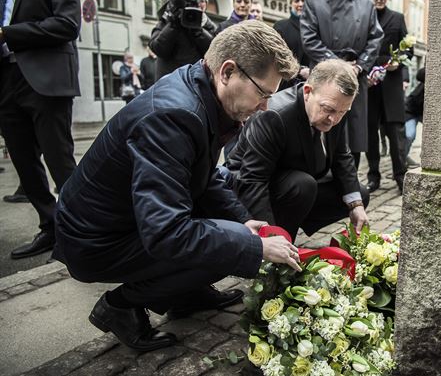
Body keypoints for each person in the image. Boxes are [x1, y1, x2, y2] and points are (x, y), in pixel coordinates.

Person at [53, 22, 300, 352]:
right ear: (227, 72)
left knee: (231, 235)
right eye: (263, 93)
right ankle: (121, 307)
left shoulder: (200, 88)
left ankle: (186, 294)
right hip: (95, 239)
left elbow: (204, 175)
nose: (266, 106)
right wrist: (253, 247)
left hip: (123, 221)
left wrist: (243, 222)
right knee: (227, 245)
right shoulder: (174, 114)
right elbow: (166, 232)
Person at [225, 59, 369, 243]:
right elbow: (253, 180)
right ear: (308, 92)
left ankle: (293, 219)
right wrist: (270, 238)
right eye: (329, 110)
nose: (333, 119)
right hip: (250, 186)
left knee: (359, 194)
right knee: (302, 185)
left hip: (296, 180)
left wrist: (356, 205)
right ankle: (282, 242)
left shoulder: (335, 108)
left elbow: (341, 156)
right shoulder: (274, 115)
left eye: (342, 112)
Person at [0, 0, 80, 259]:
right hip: (7, 78)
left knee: (60, 161)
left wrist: (7, 33)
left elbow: (67, 24)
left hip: (46, 80)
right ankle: (51, 226)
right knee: (23, 161)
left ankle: (82, 231)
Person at [301, 0, 383, 169]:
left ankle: (350, 183)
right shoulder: (313, 3)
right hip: (324, 78)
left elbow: (376, 38)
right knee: (321, 128)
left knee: (353, 137)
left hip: (355, 77)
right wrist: (338, 66)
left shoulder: (367, 5)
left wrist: (360, 65)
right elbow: (309, 40)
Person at [364, 0, 412, 193]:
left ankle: (400, 175)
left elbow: (408, 49)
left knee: (396, 133)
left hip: (391, 83)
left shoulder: (397, 18)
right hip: (370, 83)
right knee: (370, 133)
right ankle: (373, 176)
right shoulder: (363, 18)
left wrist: (399, 61)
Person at [149, 0, 216, 80]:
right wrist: (173, 25)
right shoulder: (167, 20)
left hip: (196, 84)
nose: (197, 4)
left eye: (201, 1)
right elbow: (158, 48)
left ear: (206, 5)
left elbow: (214, 51)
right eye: (192, 1)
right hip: (169, 83)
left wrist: (198, 31)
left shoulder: (208, 25)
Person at [273, 0, 311, 90]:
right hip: (286, 84)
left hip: (310, 85)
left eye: (303, 1)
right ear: (290, 3)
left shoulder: (314, 28)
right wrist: (299, 70)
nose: (300, 4)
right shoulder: (280, 26)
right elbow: (276, 56)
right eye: (296, 1)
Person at [405, 66, 425, 168]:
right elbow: (420, 74)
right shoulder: (422, 85)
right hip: (411, 111)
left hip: (423, 113)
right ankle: (403, 158)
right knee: (409, 135)